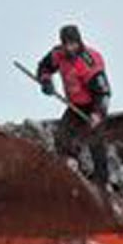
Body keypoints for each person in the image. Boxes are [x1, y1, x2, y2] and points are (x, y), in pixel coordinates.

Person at [34, 24, 111, 184]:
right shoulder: (58, 55)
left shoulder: (89, 63)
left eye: (73, 43)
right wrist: (45, 80)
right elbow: (44, 66)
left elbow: (104, 93)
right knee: (62, 136)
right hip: (75, 105)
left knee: (95, 137)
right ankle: (72, 166)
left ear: (79, 41)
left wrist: (97, 115)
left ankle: (101, 179)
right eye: (67, 44)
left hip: (94, 104)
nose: (70, 48)